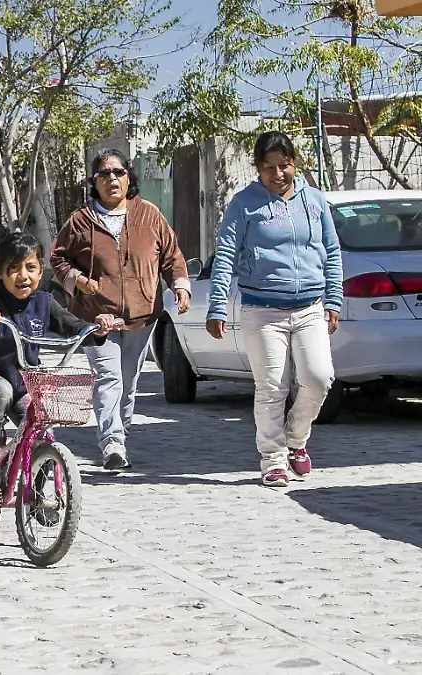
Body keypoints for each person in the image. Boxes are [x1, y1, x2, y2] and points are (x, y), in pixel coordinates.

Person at [206, 131, 342, 488]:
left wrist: (333, 299)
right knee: (272, 388)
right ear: (258, 168)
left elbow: (331, 252)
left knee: (319, 378)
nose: (278, 174)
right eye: (269, 168)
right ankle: (273, 460)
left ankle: (296, 439)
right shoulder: (244, 203)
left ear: (295, 163)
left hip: (310, 307)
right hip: (263, 310)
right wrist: (217, 306)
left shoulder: (315, 200)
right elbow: (225, 255)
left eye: (285, 165)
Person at [50, 149, 191, 471]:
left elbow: (171, 256)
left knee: (127, 383)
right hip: (96, 316)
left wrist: (180, 286)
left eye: (118, 172)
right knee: (108, 377)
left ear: (129, 178)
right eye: (104, 173)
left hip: (142, 315)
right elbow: (58, 257)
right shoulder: (80, 220)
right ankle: (112, 442)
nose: (112, 178)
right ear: (94, 181)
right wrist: (78, 280)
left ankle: (120, 433)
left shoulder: (149, 215)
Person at [0, 232, 117, 491]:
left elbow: (73, 326)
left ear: (41, 271)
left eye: (30, 268)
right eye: (13, 268)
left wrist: (97, 328)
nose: (23, 276)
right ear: (0, 273)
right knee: (0, 391)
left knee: (42, 434)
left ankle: (37, 496)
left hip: (23, 386)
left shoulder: (44, 302)